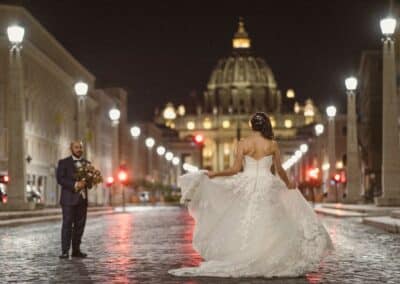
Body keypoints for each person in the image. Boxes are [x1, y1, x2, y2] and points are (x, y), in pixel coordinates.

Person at [169, 112, 333, 278]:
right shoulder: (272, 144)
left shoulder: (243, 143)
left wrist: (214, 174)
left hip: (247, 184)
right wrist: (288, 183)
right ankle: (269, 255)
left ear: (251, 126)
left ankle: (247, 251)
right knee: (269, 218)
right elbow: (280, 170)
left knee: (247, 218)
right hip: (267, 184)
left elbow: (234, 169)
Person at [56, 141, 89, 259]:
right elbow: (60, 179)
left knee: (80, 226)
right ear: (71, 149)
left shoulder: (86, 163)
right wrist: (75, 184)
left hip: (82, 200)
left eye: (80, 147)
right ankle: (65, 251)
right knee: (67, 225)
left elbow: (89, 183)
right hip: (68, 200)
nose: (79, 149)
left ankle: (76, 250)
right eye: (76, 147)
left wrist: (88, 182)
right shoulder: (63, 162)